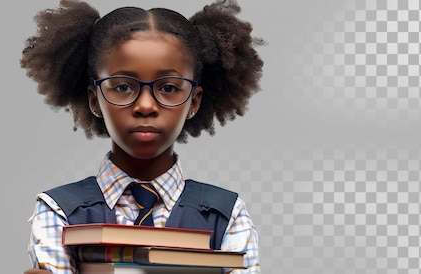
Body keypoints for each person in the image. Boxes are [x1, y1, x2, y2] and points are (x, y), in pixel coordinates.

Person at [20, 0, 264, 273]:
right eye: (123, 86)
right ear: (95, 100)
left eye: (169, 88)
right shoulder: (59, 211)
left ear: (193, 102)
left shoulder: (227, 214)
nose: (146, 106)